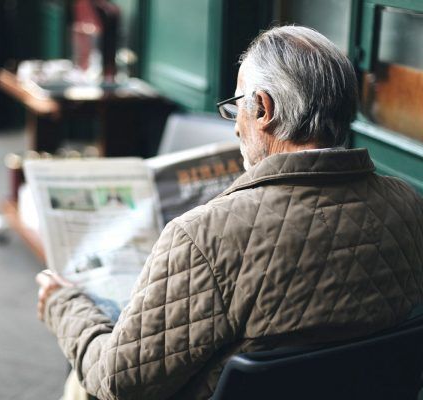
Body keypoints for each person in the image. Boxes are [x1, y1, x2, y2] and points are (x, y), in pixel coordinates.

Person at [35, 26, 423, 400]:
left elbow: (118, 383)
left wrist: (62, 304)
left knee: (85, 369)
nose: (236, 128)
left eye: (237, 105)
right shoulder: (409, 205)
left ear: (264, 108)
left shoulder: (204, 237)